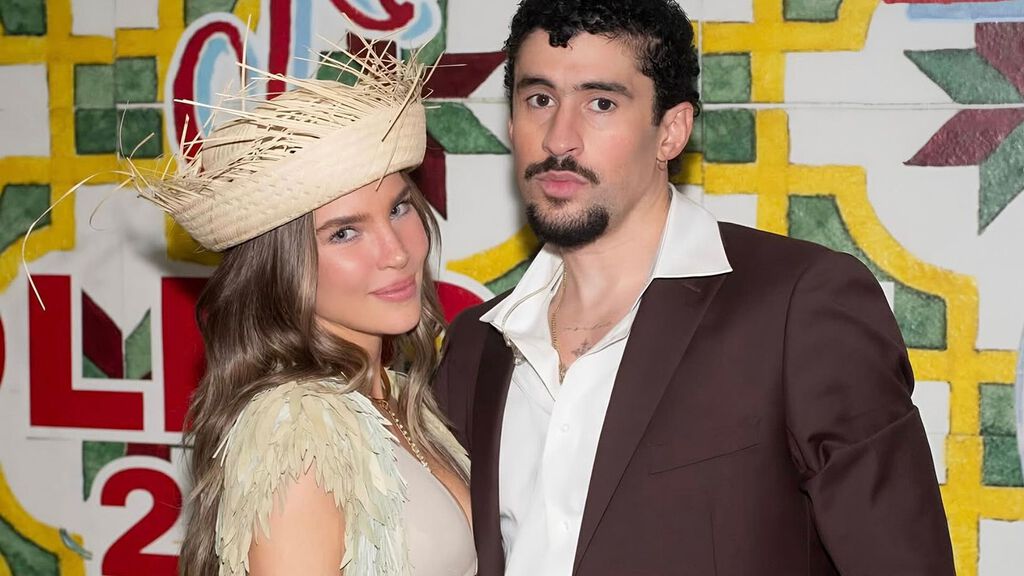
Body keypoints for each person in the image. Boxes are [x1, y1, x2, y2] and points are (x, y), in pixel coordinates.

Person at [434, 1, 956, 575]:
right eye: (539, 99)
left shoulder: (797, 307)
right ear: (511, 121)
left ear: (671, 131)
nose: (560, 138)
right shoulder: (473, 347)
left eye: (601, 103)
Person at [132, 46, 474, 575]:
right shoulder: (297, 435)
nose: (396, 251)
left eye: (399, 208)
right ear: (281, 266)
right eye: (345, 233)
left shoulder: (396, 398)